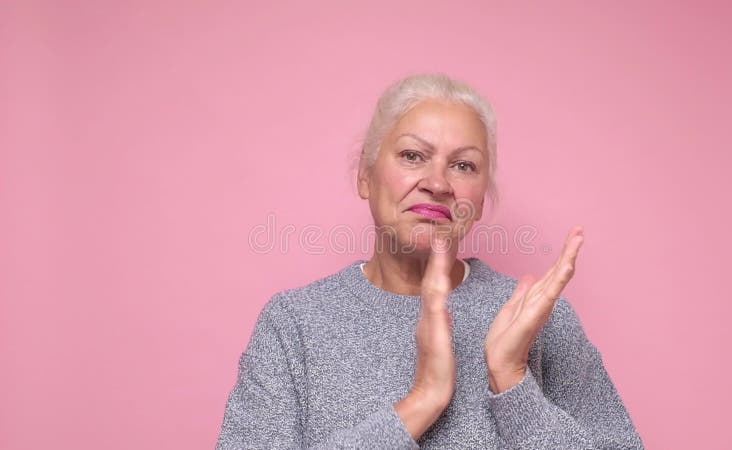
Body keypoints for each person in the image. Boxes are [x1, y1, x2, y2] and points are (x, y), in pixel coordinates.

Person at [216, 73, 644, 449]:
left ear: (478, 203)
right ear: (365, 176)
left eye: (463, 165)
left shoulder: (536, 319)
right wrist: (420, 402)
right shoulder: (293, 324)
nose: (438, 183)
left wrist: (512, 380)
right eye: (413, 156)